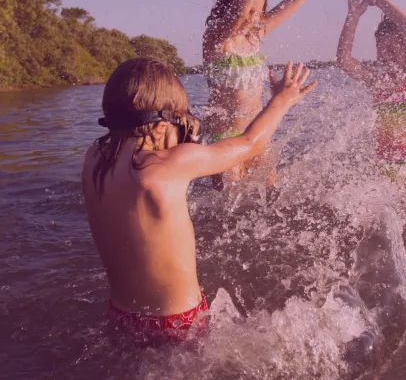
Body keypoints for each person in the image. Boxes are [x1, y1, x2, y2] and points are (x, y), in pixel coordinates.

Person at [81, 57, 316, 345]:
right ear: (158, 126)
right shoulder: (170, 164)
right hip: (179, 322)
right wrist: (282, 99)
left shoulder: (93, 159)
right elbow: (249, 143)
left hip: (121, 315)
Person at [202, 0, 334, 188]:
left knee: (271, 197)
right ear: (226, 7)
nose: (249, 18)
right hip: (224, 138)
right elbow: (238, 14)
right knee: (228, 207)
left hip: (258, 133)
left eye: (256, 12)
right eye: (245, 11)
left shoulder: (255, 35)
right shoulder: (216, 39)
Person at [336, 0, 406, 182]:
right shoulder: (378, 82)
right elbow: (344, 60)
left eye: (391, 49)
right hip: (386, 164)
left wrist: (380, 0)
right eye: (380, 50)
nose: (385, 56)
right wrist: (353, 17)